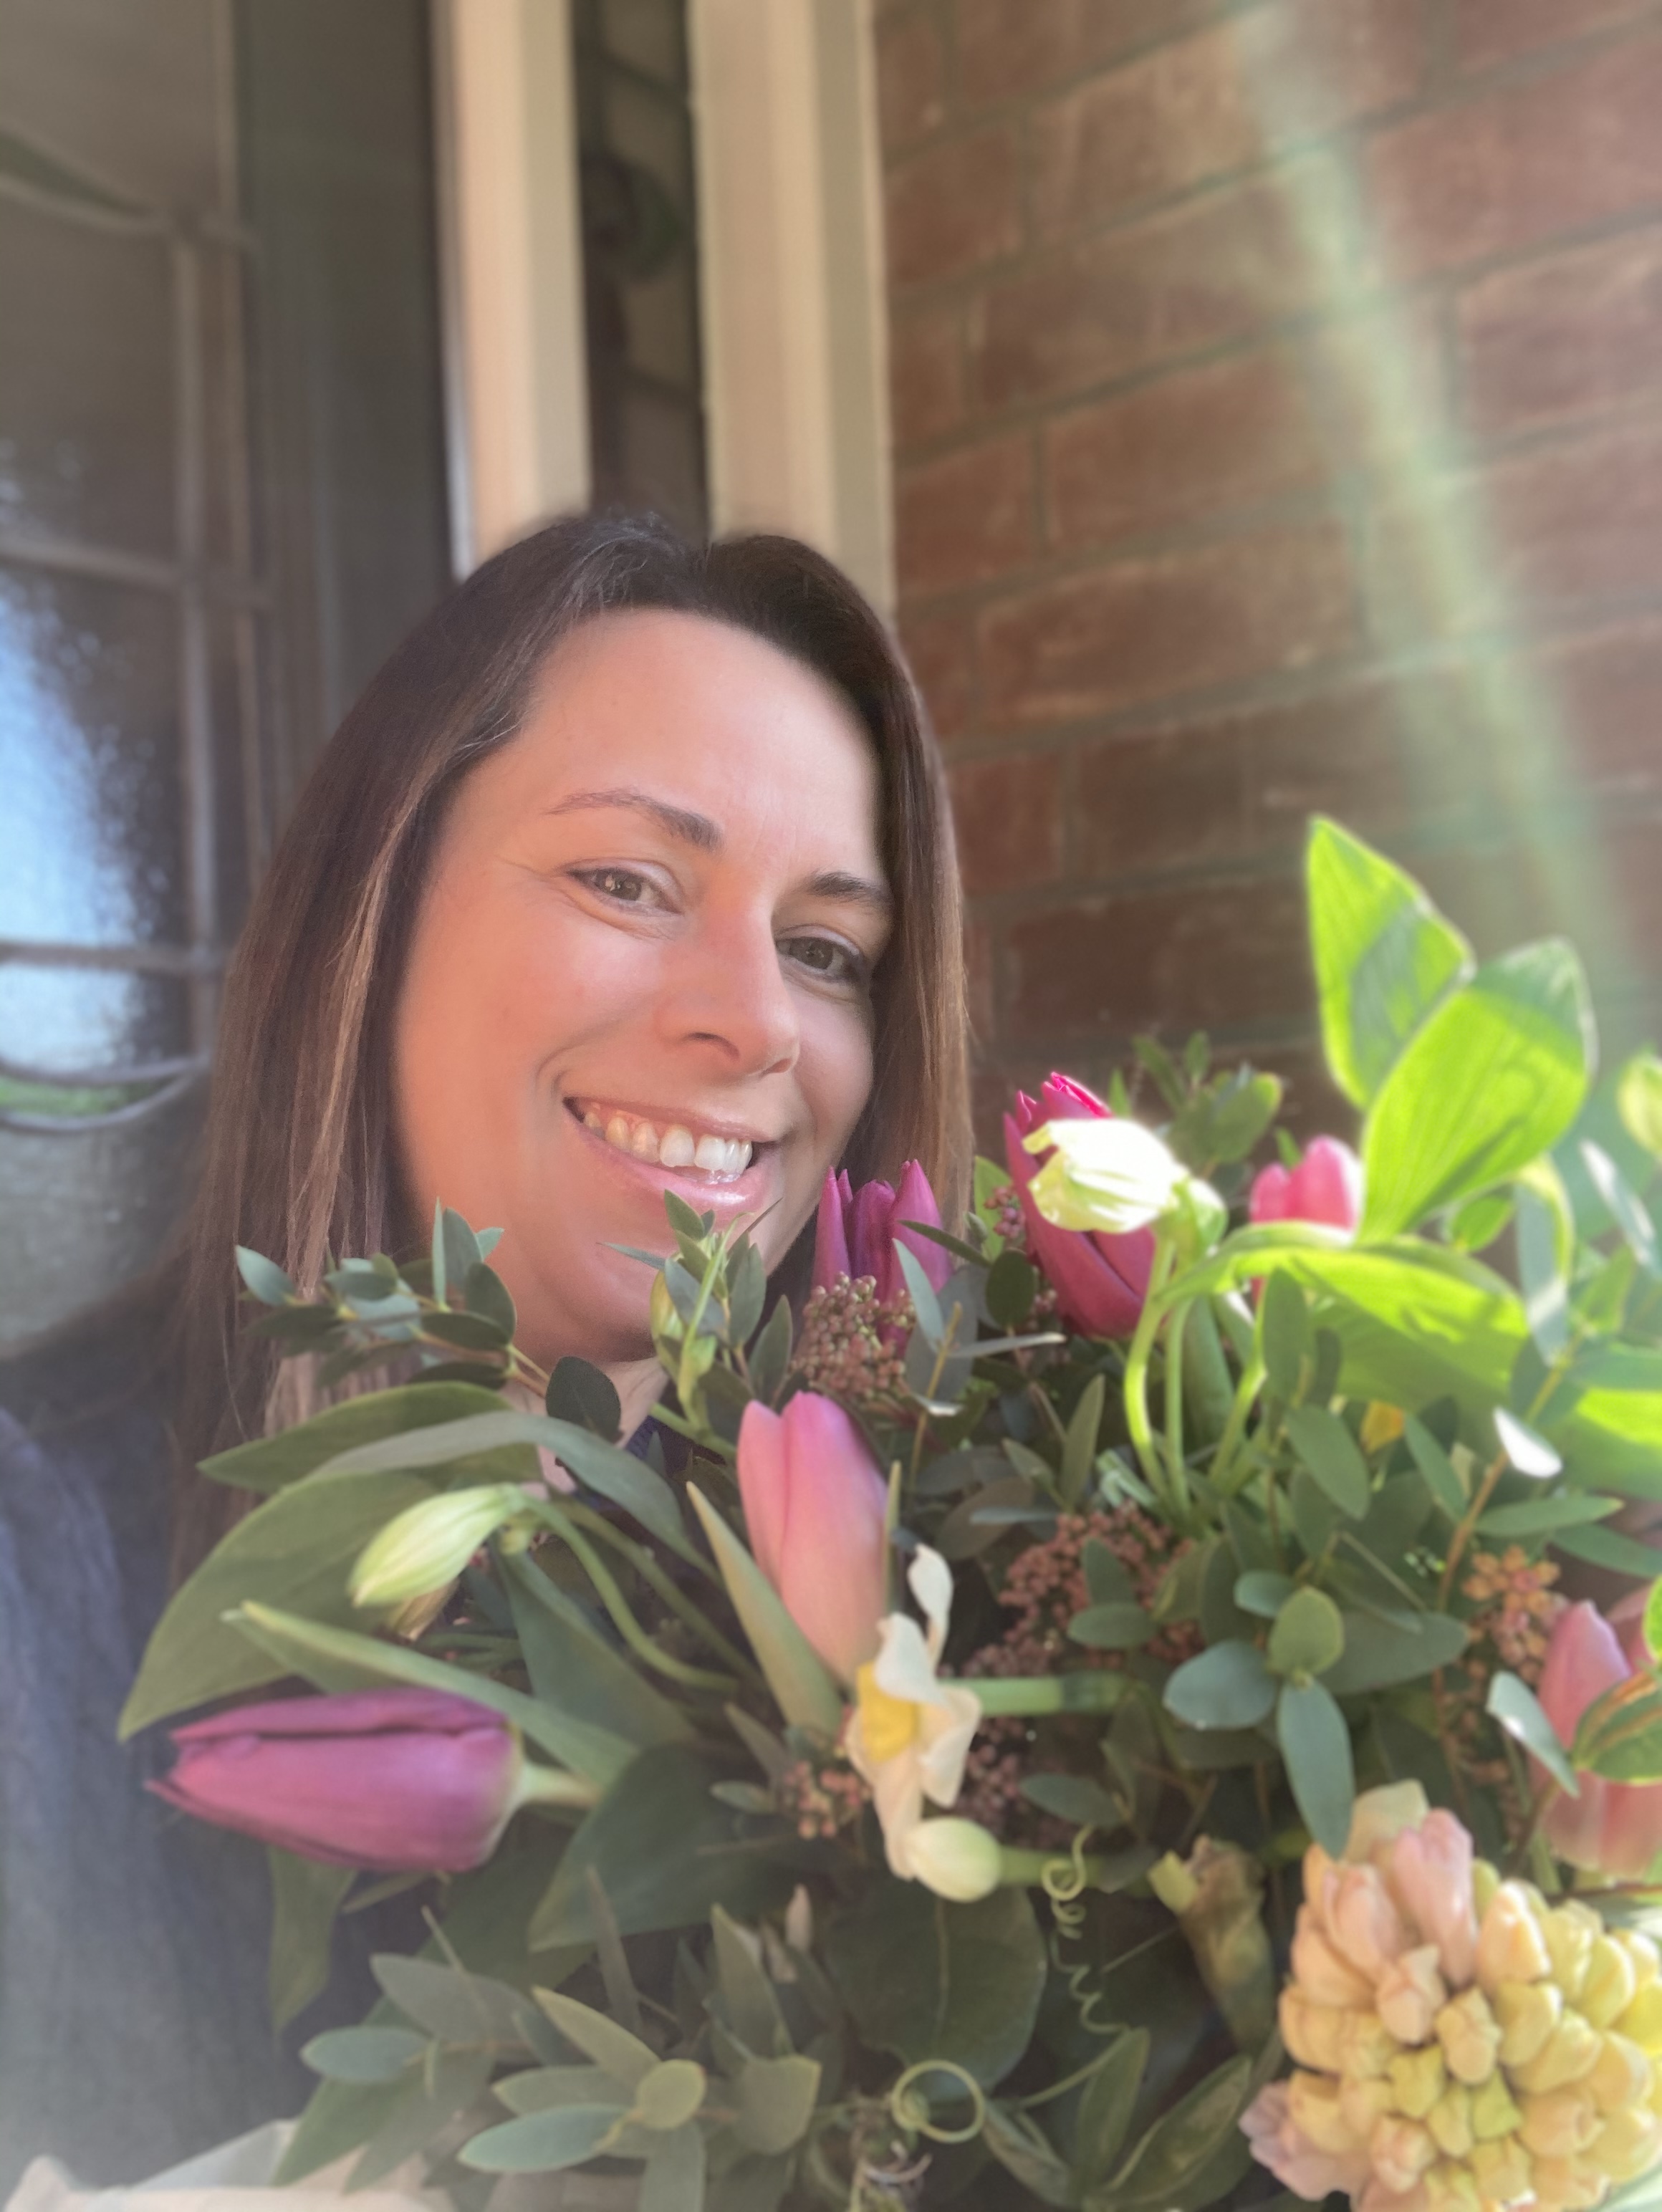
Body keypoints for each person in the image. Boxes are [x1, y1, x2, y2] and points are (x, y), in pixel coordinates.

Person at [0, 512, 970, 2188]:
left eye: (825, 950)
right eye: (626, 880)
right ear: (372, 915)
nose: (755, 1018)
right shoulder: (32, 1579)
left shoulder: (960, 1587)